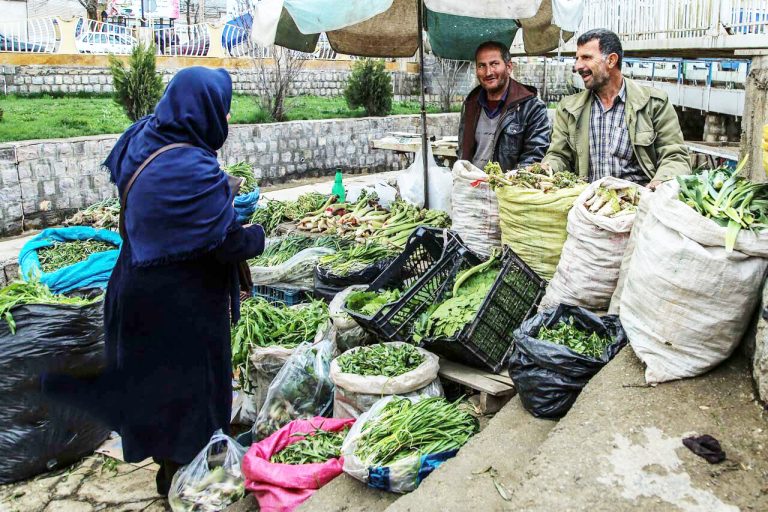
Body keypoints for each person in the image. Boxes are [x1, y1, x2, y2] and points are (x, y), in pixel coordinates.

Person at [42, 67, 265, 496]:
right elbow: (224, 244)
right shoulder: (192, 168)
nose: (228, 119)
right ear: (205, 109)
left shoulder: (142, 136)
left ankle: (172, 468)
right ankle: (188, 479)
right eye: (224, 109)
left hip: (133, 287)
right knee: (190, 393)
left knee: (157, 389)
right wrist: (255, 236)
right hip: (180, 304)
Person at [543, 29, 690, 186]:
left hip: (638, 202)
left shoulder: (654, 103)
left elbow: (675, 155)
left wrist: (660, 182)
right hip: (588, 202)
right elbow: (559, 155)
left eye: (586, 58)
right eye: (577, 58)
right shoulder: (569, 109)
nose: (577, 66)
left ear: (611, 60)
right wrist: (546, 168)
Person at [458, 40, 550, 171]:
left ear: (509, 67)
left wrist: (507, 183)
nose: (488, 72)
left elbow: (534, 156)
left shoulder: (531, 107)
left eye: (494, 64)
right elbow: (463, 150)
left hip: (508, 187)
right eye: (481, 66)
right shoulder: (471, 104)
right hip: (471, 185)